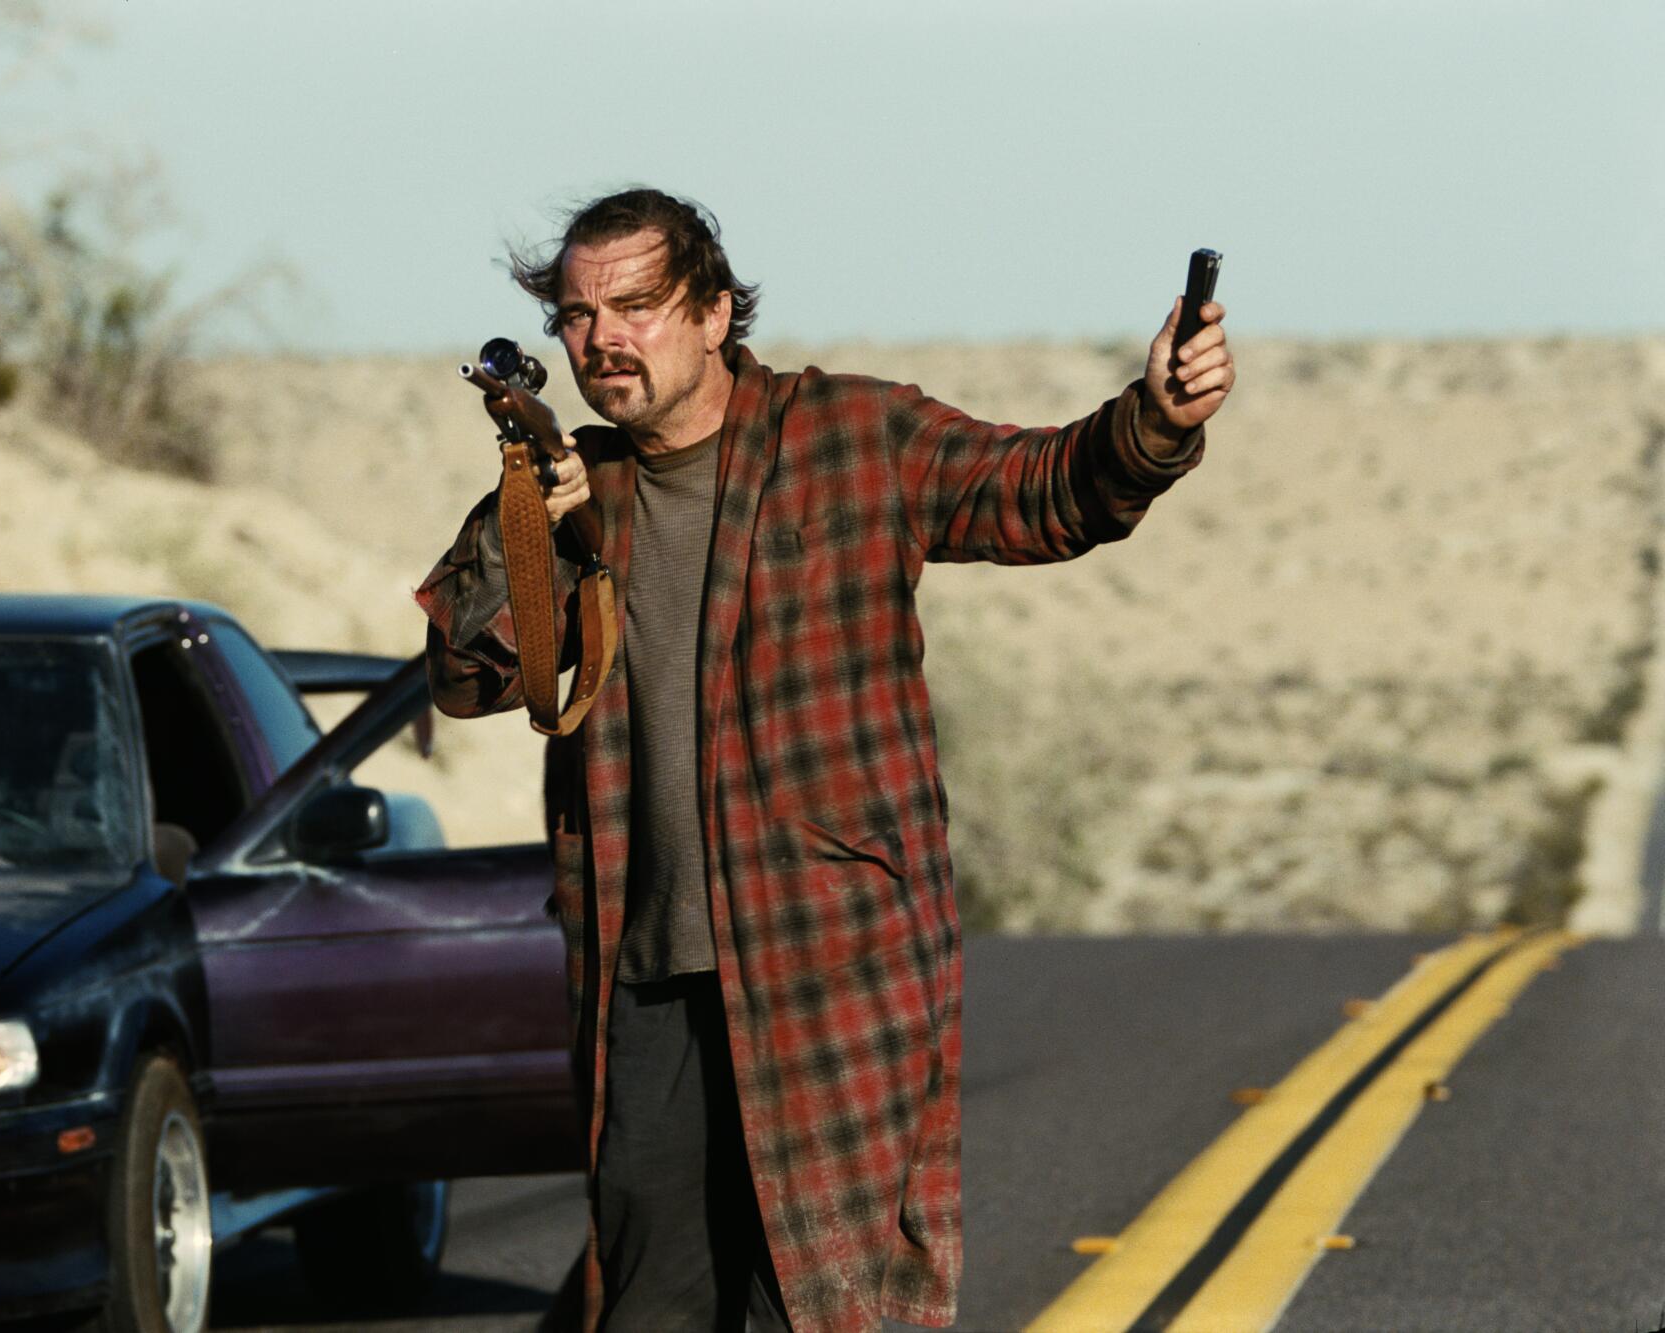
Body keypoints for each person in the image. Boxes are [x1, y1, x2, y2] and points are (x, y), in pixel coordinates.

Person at [415, 188, 1233, 1332]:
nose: (602, 338)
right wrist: (525, 528)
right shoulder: (571, 488)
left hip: (829, 966)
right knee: (648, 1301)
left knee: (829, 1301)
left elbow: (1043, 492)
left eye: (636, 306)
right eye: (577, 315)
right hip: (644, 973)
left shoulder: (852, 437)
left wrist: (1151, 417)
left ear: (711, 313)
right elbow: (461, 677)